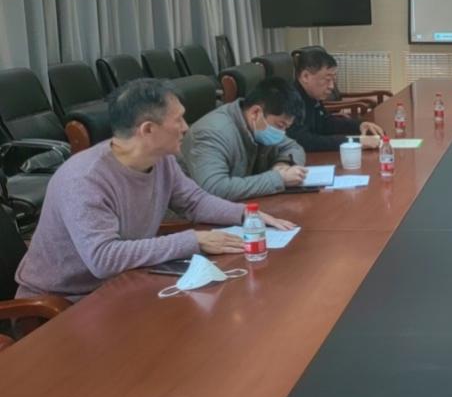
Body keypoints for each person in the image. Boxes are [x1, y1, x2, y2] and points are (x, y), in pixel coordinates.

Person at [15, 79, 295, 300]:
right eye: (179, 120)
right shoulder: (84, 179)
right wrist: (193, 240)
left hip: (123, 284)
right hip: (65, 301)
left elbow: (195, 201)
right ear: (148, 130)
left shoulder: (161, 160)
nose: (186, 128)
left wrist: (246, 215)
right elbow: (103, 258)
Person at [180, 77, 308, 201]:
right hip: (198, 213)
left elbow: (293, 147)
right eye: (280, 125)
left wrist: (282, 165)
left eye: (286, 127)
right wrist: (278, 179)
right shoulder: (211, 133)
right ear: (255, 113)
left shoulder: (259, 125)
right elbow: (214, 188)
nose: (282, 132)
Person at [287, 49, 384, 152]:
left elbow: (325, 123)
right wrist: (355, 142)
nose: (331, 86)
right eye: (327, 80)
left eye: (333, 80)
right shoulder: (289, 100)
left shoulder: (312, 95)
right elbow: (303, 141)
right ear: (305, 76)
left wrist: (359, 125)